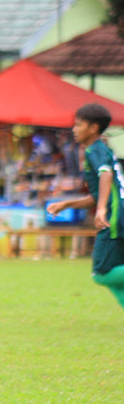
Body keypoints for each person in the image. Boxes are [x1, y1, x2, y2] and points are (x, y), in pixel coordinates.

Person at [48, 103, 124, 310]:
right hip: (117, 214)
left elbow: (106, 174)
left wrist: (101, 209)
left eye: (78, 125)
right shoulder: (100, 150)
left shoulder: (95, 150)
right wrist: (68, 204)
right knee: (113, 273)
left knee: (102, 273)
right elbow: (101, 193)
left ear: (93, 128)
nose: (74, 129)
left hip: (114, 218)